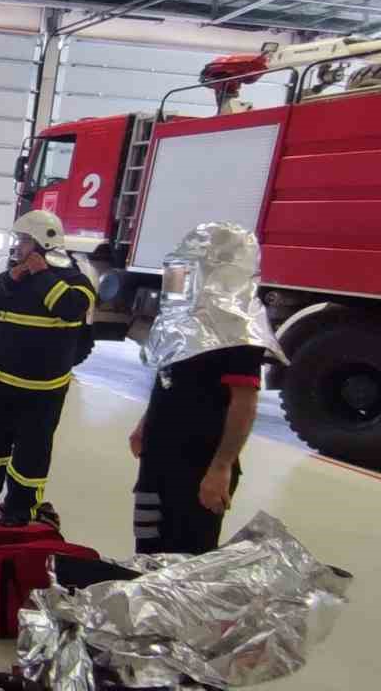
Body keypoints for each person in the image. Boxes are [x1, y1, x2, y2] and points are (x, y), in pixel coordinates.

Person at [130, 223, 279, 555]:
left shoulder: (239, 329)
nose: (179, 275)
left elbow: (244, 404)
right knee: (147, 539)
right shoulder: (184, 317)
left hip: (199, 464)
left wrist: (221, 467)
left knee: (185, 553)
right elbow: (168, 377)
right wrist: (145, 423)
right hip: (159, 454)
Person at [0, 210, 95, 527]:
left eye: (24, 240)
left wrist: (42, 276)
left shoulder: (76, 281)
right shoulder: (11, 278)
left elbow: (71, 309)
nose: (17, 246)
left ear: (43, 243)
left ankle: (20, 507)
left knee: (32, 449)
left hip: (42, 390)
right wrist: (9, 280)